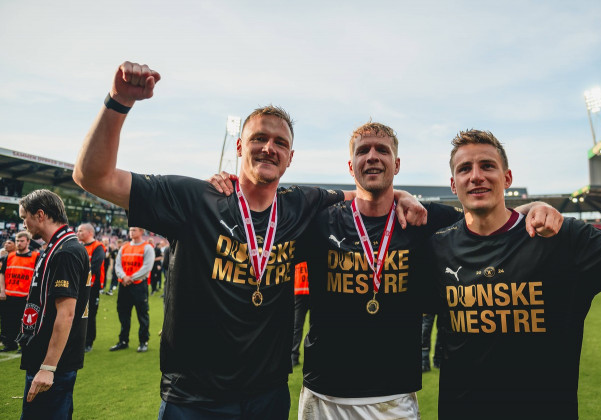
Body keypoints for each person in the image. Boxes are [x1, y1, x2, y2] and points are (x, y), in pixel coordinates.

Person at [73, 61, 425, 419]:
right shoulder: (194, 198)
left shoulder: (301, 205)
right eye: (259, 138)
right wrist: (118, 102)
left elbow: (367, 195)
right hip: (193, 398)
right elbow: (92, 176)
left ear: (290, 157)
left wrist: (402, 196)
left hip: (267, 397)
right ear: (240, 146)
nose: (269, 148)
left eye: (280, 143)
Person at [260, 122, 560, 418]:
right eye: (363, 151)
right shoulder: (320, 220)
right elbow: (264, 207)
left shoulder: (425, 218)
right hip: (324, 394)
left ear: (397, 163)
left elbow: (485, 218)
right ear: (351, 166)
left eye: (383, 150)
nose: (373, 156)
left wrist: (533, 208)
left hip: (394, 396)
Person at [427, 131, 601, 419]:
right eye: (465, 169)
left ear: (507, 178)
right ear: (453, 184)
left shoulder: (562, 238)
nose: (476, 176)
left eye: (487, 166)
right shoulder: (437, 247)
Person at [16, 189, 90, 419]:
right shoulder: (56, 248)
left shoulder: (66, 251)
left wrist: (48, 368)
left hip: (53, 364)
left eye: (23, 217)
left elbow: (66, 314)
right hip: (48, 358)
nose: (24, 223)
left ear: (40, 215)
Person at [110, 227, 154, 353]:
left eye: (134, 230)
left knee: (142, 314)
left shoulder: (147, 248)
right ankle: (123, 340)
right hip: (124, 285)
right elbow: (118, 265)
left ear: (141, 232)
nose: (131, 232)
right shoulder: (124, 247)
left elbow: (147, 267)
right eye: (130, 230)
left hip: (139, 286)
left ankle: (143, 341)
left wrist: (130, 278)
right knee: (123, 313)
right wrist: (123, 276)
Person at [0, 232, 40, 352]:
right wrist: (2, 290)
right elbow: (2, 274)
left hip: (25, 296)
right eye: (17, 241)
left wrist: (33, 294)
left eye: (22, 241)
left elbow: (38, 277)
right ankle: (10, 344)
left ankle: (24, 345)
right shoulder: (9, 256)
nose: (19, 243)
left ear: (28, 242)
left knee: (25, 324)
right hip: (9, 295)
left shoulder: (35, 257)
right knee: (7, 322)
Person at [76, 223, 106, 353]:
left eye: (81, 231)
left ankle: (89, 342)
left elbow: (94, 267)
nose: (78, 233)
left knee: (90, 314)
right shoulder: (79, 247)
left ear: (90, 233)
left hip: (91, 287)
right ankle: (78, 340)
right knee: (78, 314)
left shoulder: (98, 247)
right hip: (78, 286)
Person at [291, 262, 309, 367]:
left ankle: (295, 357)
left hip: (310, 292)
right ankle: (294, 357)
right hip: (299, 293)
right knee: (297, 326)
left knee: (315, 327)